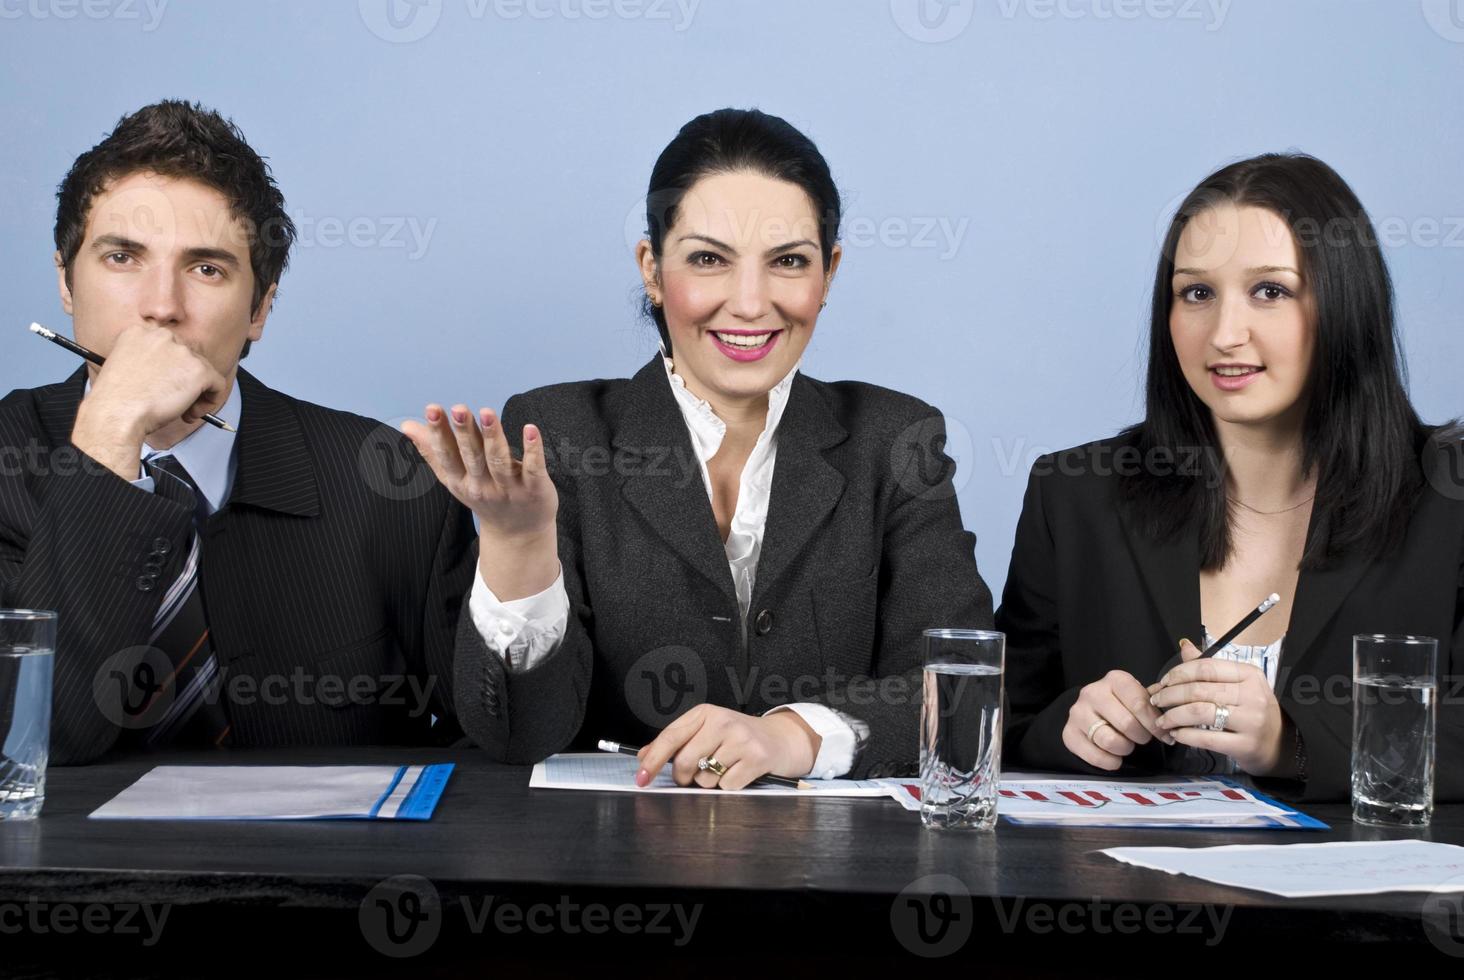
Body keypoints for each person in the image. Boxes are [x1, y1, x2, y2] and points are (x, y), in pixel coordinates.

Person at [408, 108, 993, 787]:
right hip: (607, 869)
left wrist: (794, 735)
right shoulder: (557, 432)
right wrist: (517, 548)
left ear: (827, 275)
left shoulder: (896, 439)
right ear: (652, 270)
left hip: (833, 873)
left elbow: (958, 694)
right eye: (709, 259)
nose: (749, 304)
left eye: (789, 262)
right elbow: (516, 734)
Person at [0, 101, 476, 764]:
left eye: (207, 269)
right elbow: (30, 745)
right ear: (65, 282)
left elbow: (488, 743)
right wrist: (110, 429)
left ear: (260, 309)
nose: (161, 307)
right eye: (122, 258)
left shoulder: (386, 478)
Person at [999, 153, 1464, 801]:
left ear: (1345, 303)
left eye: (1270, 291)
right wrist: (1070, 727)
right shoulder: (1077, 492)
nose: (1224, 333)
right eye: (1197, 293)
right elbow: (1001, 716)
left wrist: (1291, 742)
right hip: (1133, 896)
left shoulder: (1449, 497)